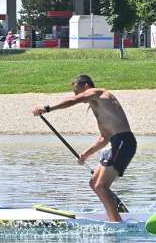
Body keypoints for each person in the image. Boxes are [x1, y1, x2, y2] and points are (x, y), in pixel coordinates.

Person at [31, 74, 136, 222]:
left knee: (101, 186)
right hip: (116, 143)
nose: (76, 95)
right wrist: (86, 154)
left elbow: (74, 100)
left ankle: (116, 222)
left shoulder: (98, 93)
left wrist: (47, 108)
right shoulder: (98, 107)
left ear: (86, 86)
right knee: (94, 183)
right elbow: (104, 137)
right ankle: (114, 216)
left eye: (77, 90)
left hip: (124, 142)